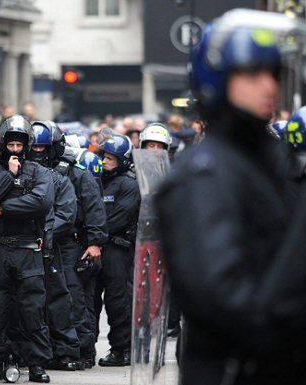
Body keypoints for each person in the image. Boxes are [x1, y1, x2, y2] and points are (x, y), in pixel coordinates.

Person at [154, 11, 304, 385]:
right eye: (252, 74)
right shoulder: (206, 173)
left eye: (272, 73)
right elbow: (222, 299)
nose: (269, 86)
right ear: (219, 79)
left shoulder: (266, 159)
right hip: (236, 371)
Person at [0, 115, 54, 383]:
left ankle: (37, 365)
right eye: (11, 144)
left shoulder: (40, 172)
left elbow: (40, 202)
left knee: (33, 311)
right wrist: (9, 176)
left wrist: (2, 209)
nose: (15, 150)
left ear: (27, 145)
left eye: (20, 145)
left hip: (28, 250)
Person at [28, 122, 80, 371]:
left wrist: (44, 233)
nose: (37, 151)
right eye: (33, 146)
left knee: (58, 299)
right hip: (19, 248)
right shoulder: (11, 175)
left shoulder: (59, 179)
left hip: (48, 247)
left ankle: (65, 351)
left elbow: (66, 215)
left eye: (42, 146)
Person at [96, 134, 139, 367]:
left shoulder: (129, 184)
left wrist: (94, 233)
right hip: (95, 246)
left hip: (116, 248)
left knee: (117, 300)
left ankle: (122, 349)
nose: (106, 161)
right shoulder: (98, 179)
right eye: (105, 157)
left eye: (111, 158)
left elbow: (117, 218)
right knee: (90, 299)